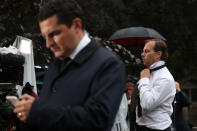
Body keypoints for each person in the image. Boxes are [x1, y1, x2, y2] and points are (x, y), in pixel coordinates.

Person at [13, 0, 126, 130]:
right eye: (45, 37)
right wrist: (25, 116)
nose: (48, 44)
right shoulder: (57, 62)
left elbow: (96, 121)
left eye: (54, 34)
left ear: (77, 25)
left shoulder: (109, 66)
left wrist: (37, 111)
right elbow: (51, 113)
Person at [136, 39, 176, 131]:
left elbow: (147, 104)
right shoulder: (150, 73)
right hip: (142, 126)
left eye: (146, 51)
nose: (142, 54)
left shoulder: (164, 78)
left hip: (156, 128)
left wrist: (144, 79)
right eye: (143, 51)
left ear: (158, 54)